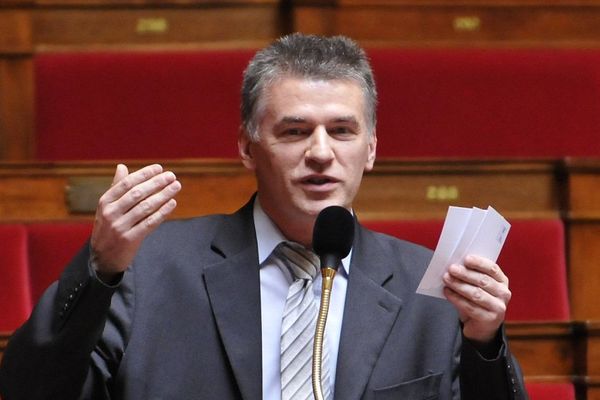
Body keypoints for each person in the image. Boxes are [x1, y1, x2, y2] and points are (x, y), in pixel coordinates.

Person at [0, 33, 527, 400]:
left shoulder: (430, 287)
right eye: (294, 131)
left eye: (342, 131)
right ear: (248, 148)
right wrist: (100, 272)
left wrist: (485, 344)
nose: (321, 152)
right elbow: (29, 391)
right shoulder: (150, 269)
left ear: (370, 149)